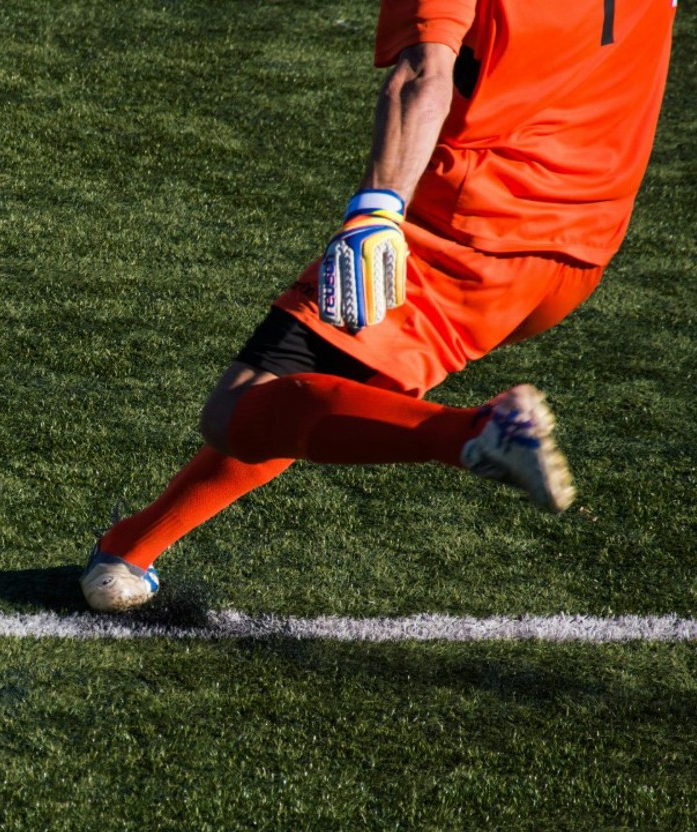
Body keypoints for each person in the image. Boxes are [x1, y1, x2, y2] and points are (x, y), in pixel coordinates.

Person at [81, 0, 677, 612]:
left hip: (468, 232)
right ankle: (128, 552)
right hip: (581, 252)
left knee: (234, 410)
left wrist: (378, 207)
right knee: (305, 389)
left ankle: (473, 433)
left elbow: (423, 74)